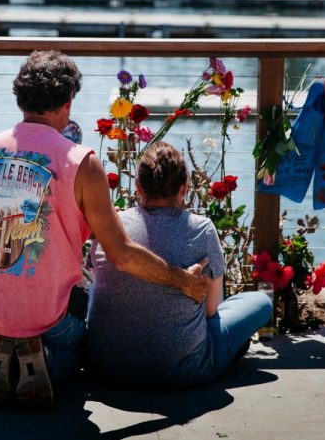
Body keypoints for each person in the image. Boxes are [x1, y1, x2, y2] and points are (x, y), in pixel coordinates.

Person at [0, 51, 210, 408]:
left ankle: (3, 355)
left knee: (20, 320)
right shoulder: (82, 162)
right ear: (68, 102)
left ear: (20, 98)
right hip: (50, 323)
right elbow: (122, 254)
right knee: (83, 346)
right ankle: (41, 363)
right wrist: (184, 281)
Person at [86, 142, 272, 389]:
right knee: (260, 303)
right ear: (184, 188)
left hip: (106, 368)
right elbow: (210, 311)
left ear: (139, 187)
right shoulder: (202, 229)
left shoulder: (112, 228)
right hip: (184, 370)